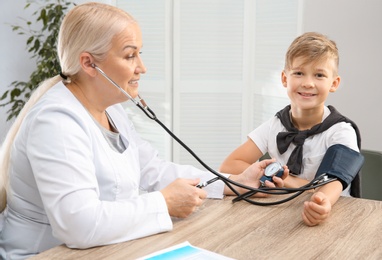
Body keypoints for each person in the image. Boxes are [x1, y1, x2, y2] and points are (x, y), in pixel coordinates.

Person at [0, 2, 288, 259]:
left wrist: (232, 182)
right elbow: (79, 224)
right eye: (129, 56)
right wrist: (163, 202)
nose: (142, 67)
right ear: (89, 63)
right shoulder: (55, 122)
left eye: (140, 54)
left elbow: (153, 171)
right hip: (44, 254)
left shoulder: (111, 110)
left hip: (109, 249)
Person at [219, 32, 363, 227]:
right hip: (280, 216)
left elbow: (332, 182)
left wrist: (317, 200)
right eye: (299, 73)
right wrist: (288, 183)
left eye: (319, 75)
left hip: (331, 219)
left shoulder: (341, 131)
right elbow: (229, 166)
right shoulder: (275, 124)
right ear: (285, 78)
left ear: (334, 83)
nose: (308, 83)